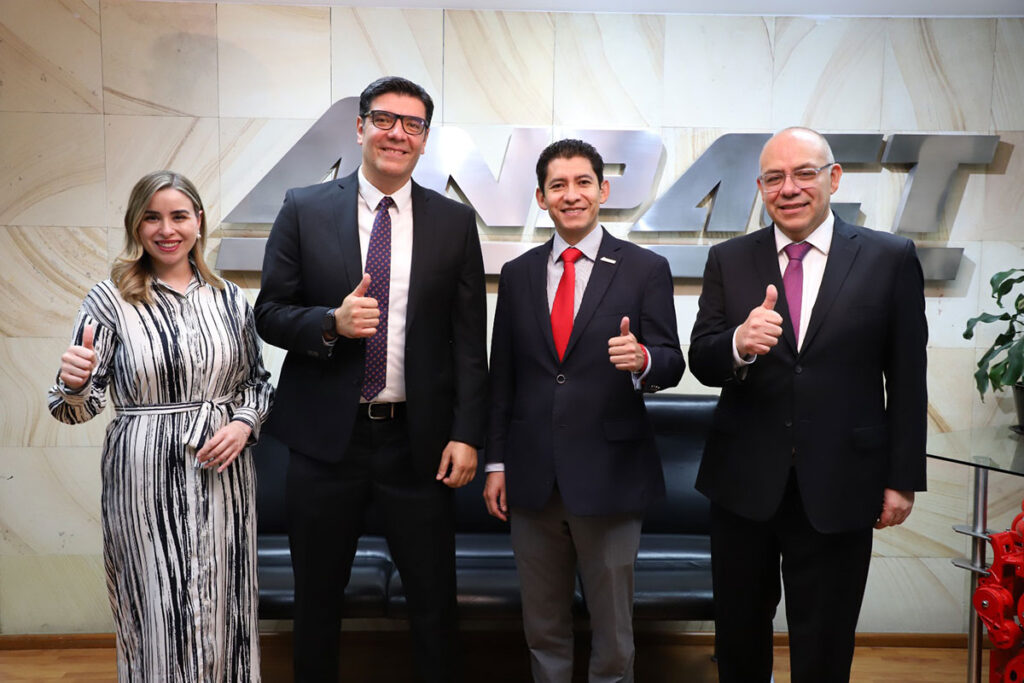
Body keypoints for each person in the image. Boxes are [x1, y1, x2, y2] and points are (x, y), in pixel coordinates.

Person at [254, 76, 487, 683]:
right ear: (360, 128)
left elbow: (470, 342)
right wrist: (330, 323)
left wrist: (467, 433)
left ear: (425, 139)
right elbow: (269, 314)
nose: (397, 134)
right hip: (325, 444)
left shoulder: (455, 223)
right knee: (317, 602)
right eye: (384, 119)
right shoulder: (304, 208)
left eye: (412, 125)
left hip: (420, 443)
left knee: (434, 602)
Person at [689, 127, 928, 682]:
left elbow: (908, 379)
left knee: (825, 642)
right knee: (739, 638)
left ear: (833, 178)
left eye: (804, 173)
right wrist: (737, 344)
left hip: (842, 482)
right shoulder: (729, 259)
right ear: (760, 187)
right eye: (774, 177)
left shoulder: (889, 258)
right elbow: (701, 359)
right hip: (742, 483)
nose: (789, 188)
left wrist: (902, 479)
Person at [48, 171, 274, 681]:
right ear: (136, 225)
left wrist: (242, 425)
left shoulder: (230, 299)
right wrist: (73, 383)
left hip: (224, 473)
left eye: (178, 216)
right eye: (152, 217)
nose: (166, 229)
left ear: (198, 222)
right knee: (157, 600)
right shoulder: (110, 300)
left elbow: (257, 384)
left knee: (226, 596)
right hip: (144, 475)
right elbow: (74, 408)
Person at [484, 139, 684, 683]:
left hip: (611, 475)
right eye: (558, 186)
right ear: (541, 198)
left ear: (603, 190)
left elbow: (671, 360)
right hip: (531, 476)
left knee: (613, 629)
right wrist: (496, 463)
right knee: (542, 624)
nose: (571, 195)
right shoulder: (519, 273)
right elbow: (503, 377)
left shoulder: (645, 268)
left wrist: (643, 359)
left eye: (582, 183)